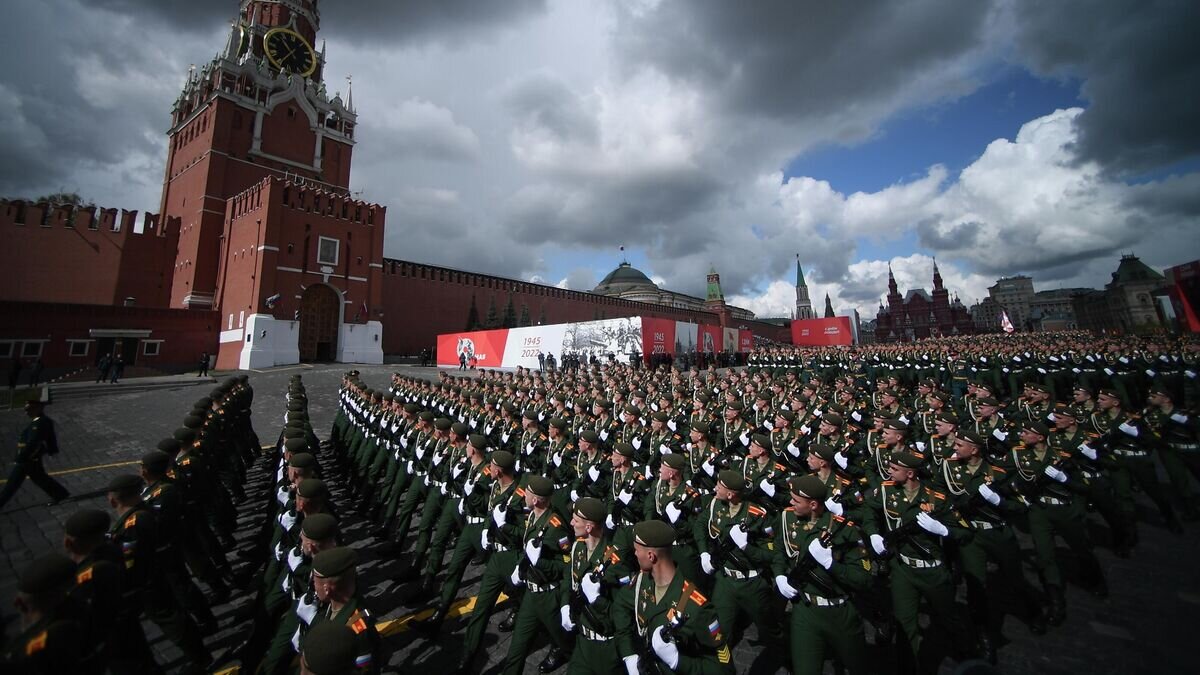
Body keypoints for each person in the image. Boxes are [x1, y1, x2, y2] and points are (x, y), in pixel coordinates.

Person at [0, 388, 70, 510]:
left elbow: (34, 443)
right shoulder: (40, 421)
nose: (26, 412)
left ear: (38, 408)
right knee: (40, 479)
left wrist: (21, 457)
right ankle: (61, 494)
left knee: (12, 484)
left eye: (29, 409)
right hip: (31, 458)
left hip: (28, 458)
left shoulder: (39, 423)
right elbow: (50, 438)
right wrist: (52, 448)